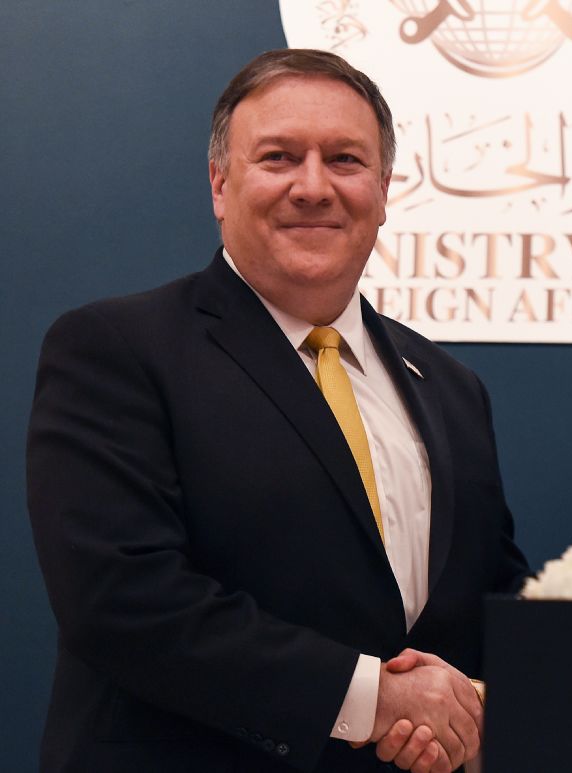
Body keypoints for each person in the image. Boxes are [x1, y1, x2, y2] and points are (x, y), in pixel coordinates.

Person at [27, 49, 529, 773]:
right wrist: (374, 699)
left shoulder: (450, 386)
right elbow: (122, 599)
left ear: (384, 191)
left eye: (346, 160)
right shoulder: (115, 350)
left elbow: (490, 600)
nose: (314, 186)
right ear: (220, 185)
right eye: (279, 157)